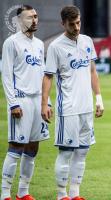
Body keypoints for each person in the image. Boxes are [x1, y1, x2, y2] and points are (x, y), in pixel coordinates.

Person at [41, 5, 104, 200]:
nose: (76, 27)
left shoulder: (87, 41)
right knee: (66, 152)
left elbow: (92, 70)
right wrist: (45, 103)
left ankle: (75, 194)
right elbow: (48, 76)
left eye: (78, 23)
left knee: (83, 152)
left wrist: (99, 98)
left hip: (86, 107)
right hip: (67, 107)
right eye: (72, 24)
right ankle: (62, 195)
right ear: (63, 24)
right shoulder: (55, 47)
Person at [1, 5, 50, 200]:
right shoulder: (11, 43)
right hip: (20, 100)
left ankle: (23, 192)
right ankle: (5, 193)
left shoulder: (39, 44)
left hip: (38, 100)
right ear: (20, 20)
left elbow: (43, 74)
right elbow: (6, 74)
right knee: (16, 146)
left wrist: (48, 102)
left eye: (36, 16)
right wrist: (13, 103)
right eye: (30, 17)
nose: (35, 20)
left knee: (33, 147)